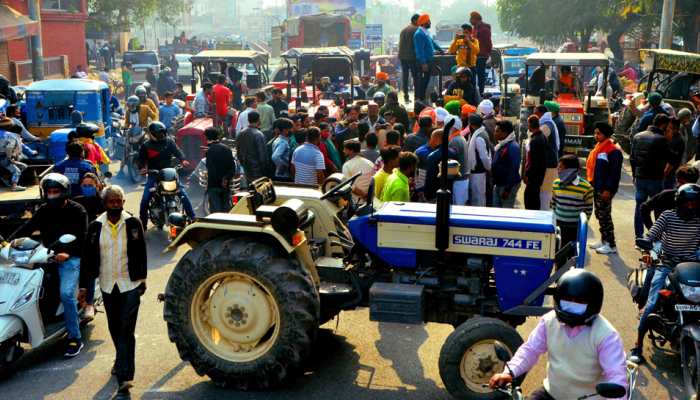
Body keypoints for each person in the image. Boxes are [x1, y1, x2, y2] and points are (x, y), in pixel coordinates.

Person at [489, 269, 627, 400]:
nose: (572, 304)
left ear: (593, 304)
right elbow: (531, 349)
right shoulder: (549, 320)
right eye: (567, 299)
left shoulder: (606, 336)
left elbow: (616, 377)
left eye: (579, 302)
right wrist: (509, 372)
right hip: (551, 393)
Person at [80, 185, 147, 398]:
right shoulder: (95, 227)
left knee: (127, 330)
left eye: (119, 201)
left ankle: (124, 380)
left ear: (123, 203)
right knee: (115, 328)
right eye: (112, 202)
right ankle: (121, 360)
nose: (116, 205)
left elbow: (141, 252)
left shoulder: (134, 224)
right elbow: (89, 258)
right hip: (108, 286)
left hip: (130, 285)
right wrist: (84, 286)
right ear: (105, 204)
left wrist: (142, 279)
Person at [11, 173, 88, 357]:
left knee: (66, 294)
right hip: (46, 256)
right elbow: (27, 228)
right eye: (49, 192)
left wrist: (67, 253)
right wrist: (8, 242)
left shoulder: (77, 210)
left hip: (71, 258)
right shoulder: (44, 210)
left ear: (65, 192)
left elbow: (82, 237)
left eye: (56, 191)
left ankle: (74, 338)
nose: (52, 195)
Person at [631, 184, 700, 364]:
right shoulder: (667, 216)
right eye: (688, 203)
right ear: (679, 202)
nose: (691, 207)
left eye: (695, 204)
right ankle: (637, 345)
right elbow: (651, 236)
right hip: (667, 264)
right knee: (652, 302)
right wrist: (647, 246)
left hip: (692, 267)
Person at [137, 122, 194, 228]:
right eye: (158, 133)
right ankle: (142, 225)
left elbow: (178, 152)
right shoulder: (146, 146)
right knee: (145, 200)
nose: (161, 135)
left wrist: (183, 160)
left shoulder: (169, 142)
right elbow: (141, 160)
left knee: (183, 195)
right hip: (154, 175)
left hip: (169, 174)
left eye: (162, 133)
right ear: (151, 134)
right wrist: (142, 168)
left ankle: (193, 218)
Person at [631, 114, 671, 238]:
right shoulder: (661, 139)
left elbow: (632, 159)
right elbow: (668, 158)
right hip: (655, 179)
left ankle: (639, 236)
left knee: (640, 206)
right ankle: (656, 236)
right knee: (657, 207)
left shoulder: (638, 136)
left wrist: (634, 175)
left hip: (640, 177)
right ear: (663, 125)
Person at [586, 122, 623, 255]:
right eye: (595, 133)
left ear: (605, 134)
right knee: (600, 214)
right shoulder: (599, 147)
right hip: (597, 187)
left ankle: (610, 244)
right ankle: (603, 240)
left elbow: (614, 174)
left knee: (605, 216)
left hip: (605, 190)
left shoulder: (613, 151)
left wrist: (608, 189)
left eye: (599, 133)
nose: (596, 136)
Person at [552, 155, 594, 248]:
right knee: (558, 252)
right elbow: (553, 204)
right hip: (558, 225)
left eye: (561, 167)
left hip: (574, 227)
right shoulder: (555, 184)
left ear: (571, 170)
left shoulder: (586, 187)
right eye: (558, 167)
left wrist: (581, 227)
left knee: (571, 252)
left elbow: (588, 210)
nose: (558, 170)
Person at [205, 127, 237, 213]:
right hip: (226, 185)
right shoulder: (227, 149)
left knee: (216, 213)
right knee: (226, 210)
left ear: (207, 138)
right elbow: (232, 168)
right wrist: (225, 179)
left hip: (214, 186)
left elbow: (211, 169)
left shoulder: (210, 151)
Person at [413, 13, 442, 102]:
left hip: (429, 61)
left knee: (427, 81)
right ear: (424, 23)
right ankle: (421, 100)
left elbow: (432, 43)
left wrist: (441, 50)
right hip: (424, 62)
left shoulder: (425, 33)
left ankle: (424, 99)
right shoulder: (419, 34)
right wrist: (423, 63)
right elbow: (419, 50)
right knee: (423, 82)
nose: (430, 23)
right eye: (428, 21)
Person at [492, 120, 521, 208]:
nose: (494, 133)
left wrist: (507, 189)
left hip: (507, 186)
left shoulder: (513, 147)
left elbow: (514, 169)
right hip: (499, 184)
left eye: (497, 131)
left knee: (506, 213)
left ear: (505, 133)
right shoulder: (502, 145)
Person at [466, 114, 492, 206]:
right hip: (476, 172)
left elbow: (484, 157)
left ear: (471, 124)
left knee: (478, 198)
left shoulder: (479, 137)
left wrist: (488, 168)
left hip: (478, 173)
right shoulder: (480, 133)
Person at [235, 111, 268, 182]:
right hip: (258, 171)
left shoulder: (241, 133)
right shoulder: (259, 135)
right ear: (259, 120)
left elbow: (238, 153)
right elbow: (263, 156)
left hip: (247, 169)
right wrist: (265, 171)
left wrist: (243, 164)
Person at [539, 109, 561, 211]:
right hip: (550, 162)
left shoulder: (546, 126)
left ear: (541, 113)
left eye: (536, 112)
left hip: (549, 165)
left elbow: (538, 140)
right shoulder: (548, 123)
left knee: (546, 193)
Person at [524, 115, 548, 210]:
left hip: (534, 175)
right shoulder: (542, 137)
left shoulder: (534, 140)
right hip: (540, 174)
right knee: (534, 198)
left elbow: (532, 161)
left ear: (530, 125)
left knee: (530, 200)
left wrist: (527, 174)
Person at [445, 116, 469, 205]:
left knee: (458, 208)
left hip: (458, 181)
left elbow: (451, 163)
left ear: (452, 128)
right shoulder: (460, 138)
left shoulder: (454, 141)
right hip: (462, 179)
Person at [398, 14, 420, 102]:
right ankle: (416, 97)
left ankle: (406, 96)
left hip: (403, 57)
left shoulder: (403, 30)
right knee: (415, 77)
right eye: (419, 21)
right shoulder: (416, 30)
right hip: (412, 57)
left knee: (405, 77)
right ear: (415, 20)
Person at [470, 12, 492, 95]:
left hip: (481, 55)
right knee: (472, 75)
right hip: (474, 55)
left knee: (480, 75)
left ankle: (481, 93)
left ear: (476, 19)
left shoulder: (484, 29)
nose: (470, 21)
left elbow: (488, 42)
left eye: (471, 19)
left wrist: (488, 53)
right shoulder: (474, 28)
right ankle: (474, 93)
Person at [664, 117, 686, 189]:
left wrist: (665, 173)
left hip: (669, 174)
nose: (667, 127)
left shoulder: (677, 141)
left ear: (675, 128)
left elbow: (672, 161)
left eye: (669, 126)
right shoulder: (672, 136)